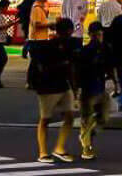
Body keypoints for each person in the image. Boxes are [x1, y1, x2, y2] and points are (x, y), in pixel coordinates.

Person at [28, 17, 78, 163]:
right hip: (51, 86)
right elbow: (71, 67)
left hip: (55, 86)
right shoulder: (61, 45)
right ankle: (44, 152)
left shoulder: (48, 45)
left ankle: (57, 149)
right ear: (69, 30)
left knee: (61, 117)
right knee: (47, 119)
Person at [76, 21, 111, 161]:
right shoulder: (85, 50)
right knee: (87, 118)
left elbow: (109, 66)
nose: (98, 37)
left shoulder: (105, 49)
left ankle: (87, 134)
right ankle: (86, 147)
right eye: (96, 34)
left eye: (100, 34)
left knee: (103, 117)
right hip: (88, 89)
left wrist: (114, 81)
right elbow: (77, 70)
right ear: (90, 35)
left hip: (100, 87)